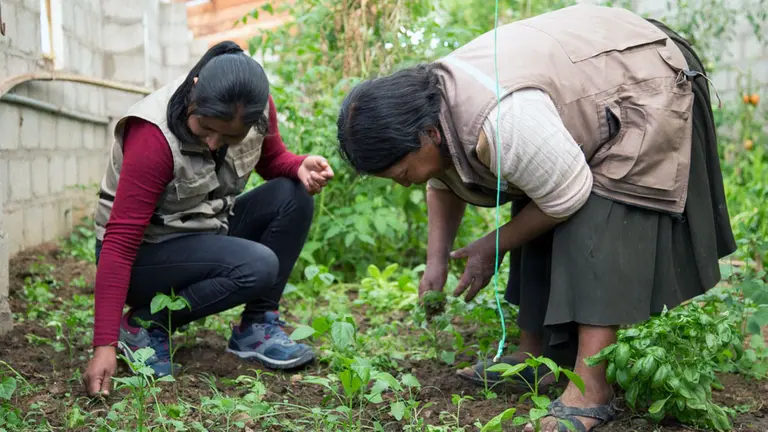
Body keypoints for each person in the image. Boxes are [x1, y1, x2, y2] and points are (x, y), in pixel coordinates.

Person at [336, 5, 736, 432]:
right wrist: (436, 262)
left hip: (643, 74)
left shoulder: (502, 121)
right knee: (531, 196)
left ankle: (590, 390)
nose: (403, 184)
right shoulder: (430, 111)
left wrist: (491, 245)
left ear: (427, 135)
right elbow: (441, 179)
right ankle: (536, 356)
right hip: (586, 78)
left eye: (400, 173)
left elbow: (567, 195)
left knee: (598, 220)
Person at [83, 41, 334, 397]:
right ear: (195, 92)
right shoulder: (153, 136)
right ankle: (143, 324)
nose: (215, 143)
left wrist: (298, 165)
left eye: (230, 137)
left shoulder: (253, 107)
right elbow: (120, 243)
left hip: (205, 228)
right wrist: (103, 343)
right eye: (205, 129)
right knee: (258, 265)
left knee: (292, 195)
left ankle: (256, 327)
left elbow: (271, 159)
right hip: (146, 255)